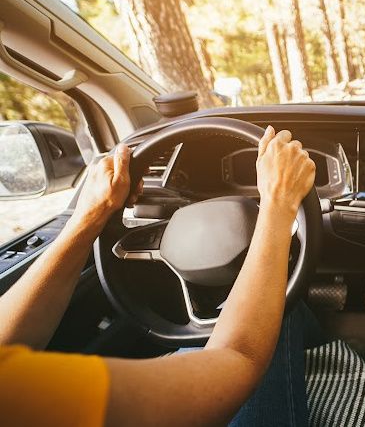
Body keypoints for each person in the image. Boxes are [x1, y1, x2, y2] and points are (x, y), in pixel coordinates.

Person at [0, 126, 317, 427]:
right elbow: (238, 358)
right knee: (276, 304)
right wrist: (278, 202)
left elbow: (7, 337)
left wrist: (91, 215)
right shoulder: (28, 397)